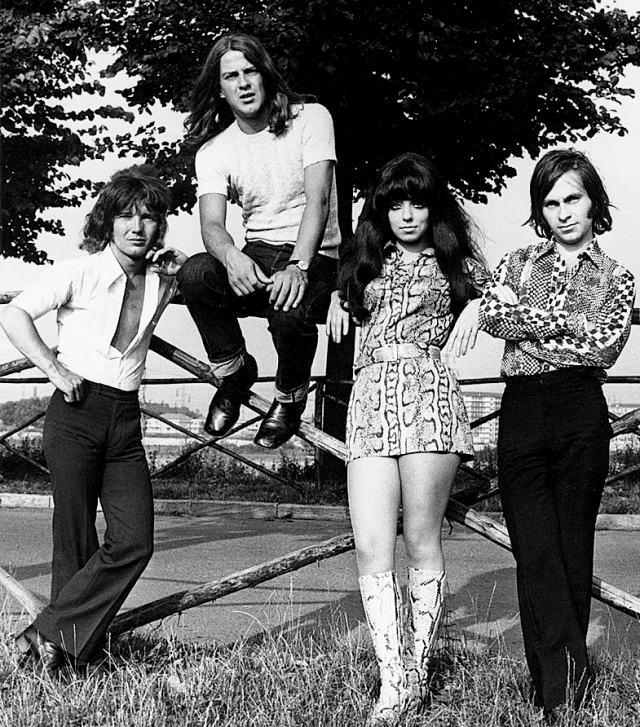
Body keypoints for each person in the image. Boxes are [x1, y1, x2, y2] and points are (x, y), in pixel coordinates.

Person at [0, 166, 186, 676]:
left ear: (160, 225)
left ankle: (44, 633)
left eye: (148, 217)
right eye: (126, 215)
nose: (137, 227)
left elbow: (187, 281)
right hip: (76, 411)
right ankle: (68, 660)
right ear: (108, 221)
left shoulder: (163, 280)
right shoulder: (78, 272)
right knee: (75, 536)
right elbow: (14, 314)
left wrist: (180, 270)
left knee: (135, 540)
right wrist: (53, 368)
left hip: (125, 418)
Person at [327, 152, 488, 725]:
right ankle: (392, 678)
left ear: (433, 207)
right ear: (383, 210)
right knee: (371, 543)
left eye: (418, 203)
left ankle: (416, 672)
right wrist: (334, 297)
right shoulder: (363, 261)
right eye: (396, 204)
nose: (407, 215)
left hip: (429, 397)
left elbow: (510, 293)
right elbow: (326, 284)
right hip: (371, 398)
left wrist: (477, 308)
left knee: (421, 538)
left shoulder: (456, 262)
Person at [478, 149, 636, 721]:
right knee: (535, 550)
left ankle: (556, 692)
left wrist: (532, 326)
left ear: (594, 202)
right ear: (539, 211)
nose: (564, 212)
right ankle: (564, 686)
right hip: (522, 411)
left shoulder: (618, 277)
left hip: (579, 412)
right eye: (551, 203)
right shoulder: (518, 262)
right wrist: (568, 324)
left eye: (573, 198)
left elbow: (603, 347)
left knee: (571, 552)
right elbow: (494, 316)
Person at [177, 33, 341, 449]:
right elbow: (212, 224)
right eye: (231, 76)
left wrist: (298, 266)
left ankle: (290, 396)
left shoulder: (311, 118)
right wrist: (231, 256)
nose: (243, 83)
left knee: (289, 311)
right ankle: (235, 373)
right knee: (195, 273)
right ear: (220, 88)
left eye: (250, 71)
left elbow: (319, 201)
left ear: (265, 75)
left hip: (316, 252)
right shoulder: (214, 150)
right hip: (258, 252)